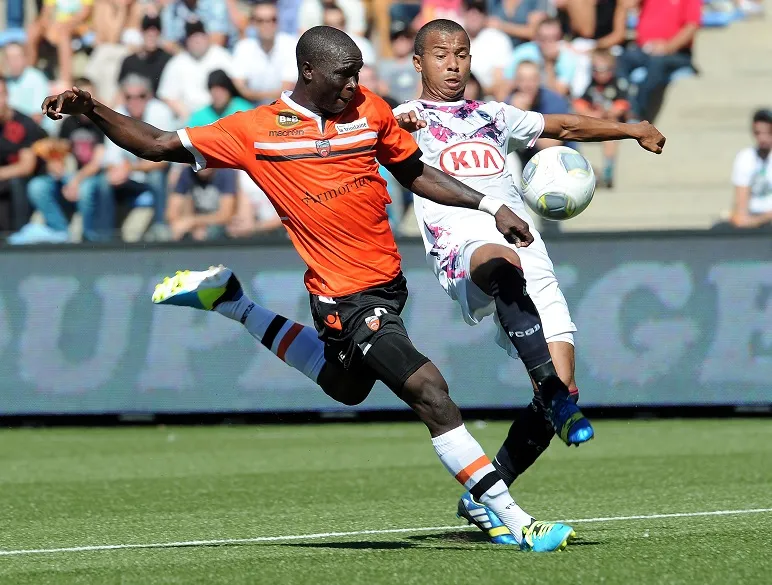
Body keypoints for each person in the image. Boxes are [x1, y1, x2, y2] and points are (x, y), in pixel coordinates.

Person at [43, 25, 599, 552]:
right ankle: (515, 521)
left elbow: (415, 173)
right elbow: (159, 142)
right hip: (343, 299)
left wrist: (488, 204)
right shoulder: (255, 129)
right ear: (309, 72)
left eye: (358, 73)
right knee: (431, 391)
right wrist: (92, 108)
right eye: (344, 76)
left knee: (345, 387)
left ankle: (232, 302)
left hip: (387, 289)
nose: (355, 86)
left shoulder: (370, 111)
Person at [389, 18, 664, 543]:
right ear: (418, 62)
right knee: (501, 265)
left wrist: (631, 129)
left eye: (462, 54)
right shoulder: (409, 118)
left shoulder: (493, 116)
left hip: (525, 245)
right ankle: (555, 399)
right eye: (442, 54)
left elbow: (565, 129)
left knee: (565, 378)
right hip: (465, 245)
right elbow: (365, 137)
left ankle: (485, 496)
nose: (453, 64)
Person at [9, 77, 105, 244]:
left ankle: (90, 237)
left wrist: (75, 180)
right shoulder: (68, 123)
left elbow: (97, 163)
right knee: (37, 187)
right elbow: (60, 151)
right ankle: (61, 232)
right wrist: (56, 166)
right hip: (70, 174)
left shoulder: (101, 123)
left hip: (89, 176)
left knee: (86, 190)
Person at [573, 48, 630, 188]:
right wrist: (591, 114)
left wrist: (610, 112)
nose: (599, 74)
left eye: (604, 69)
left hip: (612, 125)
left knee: (610, 139)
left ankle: (608, 171)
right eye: (595, 70)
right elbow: (579, 103)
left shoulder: (617, 84)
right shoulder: (591, 86)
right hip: (595, 122)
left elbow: (623, 104)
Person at [0, 76, 47, 235]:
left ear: (6, 96)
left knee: (15, 183)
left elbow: (26, 167)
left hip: (29, 179)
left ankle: (17, 236)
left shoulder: (23, 123)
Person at [230, 0, 298, 105]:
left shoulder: (291, 45)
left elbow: (287, 88)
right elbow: (241, 88)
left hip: (283, 107)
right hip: (251, 108)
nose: (267, 24)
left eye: (272, 19)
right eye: (261, 20)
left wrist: (255, 95)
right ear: (253, 22)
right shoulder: (243, 47)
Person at [727, 109, 772, 229]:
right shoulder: (745, 158)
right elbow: (741, 216)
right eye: (758, 133)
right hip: (753, 220)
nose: (763, 138)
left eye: (768, 132)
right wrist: (765, 217)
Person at [166, 167, 237, 240]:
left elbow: (225, 216)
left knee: (212, 232)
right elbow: (172, 213)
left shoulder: (226, 173)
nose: (201, 164)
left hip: (219, 226)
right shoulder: (187, 173)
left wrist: (192, 222)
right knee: (172, 231)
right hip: (195, 225)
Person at [117, 14, 172, 96]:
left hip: (158, 105)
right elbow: (121, 91)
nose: (151, 34)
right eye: (147, 29)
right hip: (133, 104)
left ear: (160, 33)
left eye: (155, 29)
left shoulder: (168, 61)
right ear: (141, 32)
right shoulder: (129, 62)